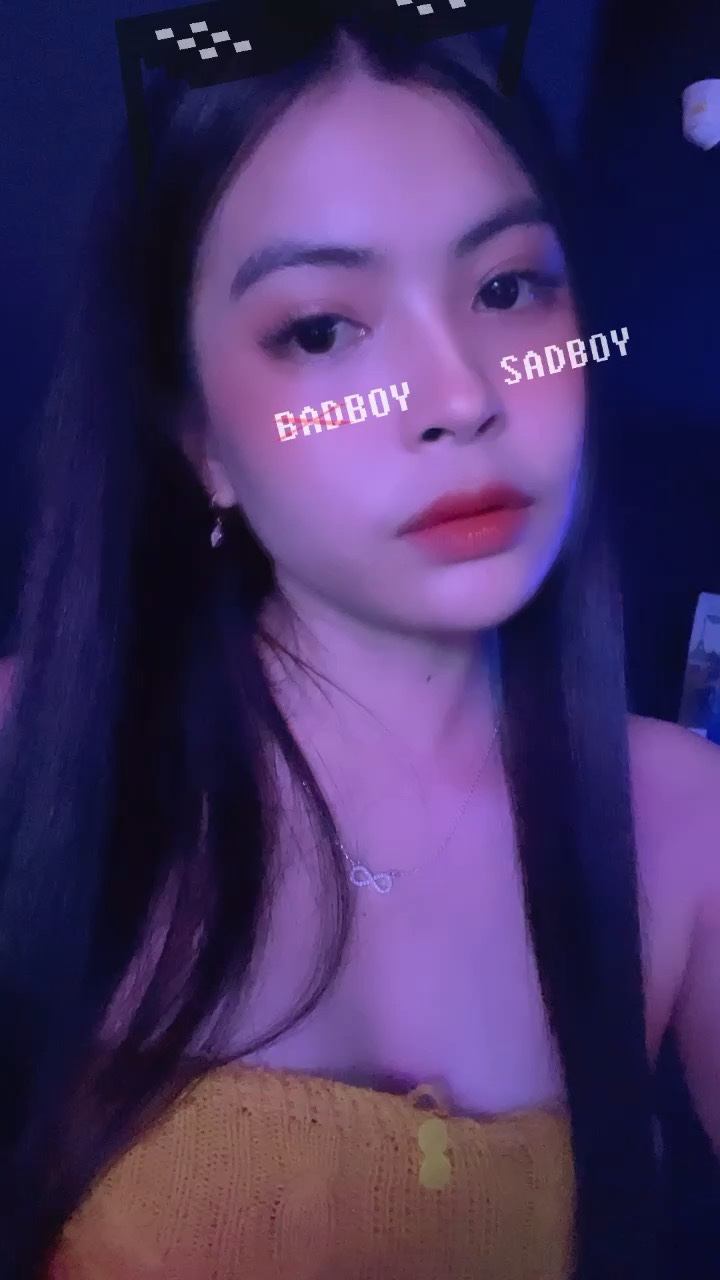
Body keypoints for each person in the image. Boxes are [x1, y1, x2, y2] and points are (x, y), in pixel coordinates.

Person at [0, 15, 718, 1280]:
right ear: (198, 438)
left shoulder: (681, 821)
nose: (461, 397)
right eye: (323, 329)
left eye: (509, 289)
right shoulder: (30, 757)